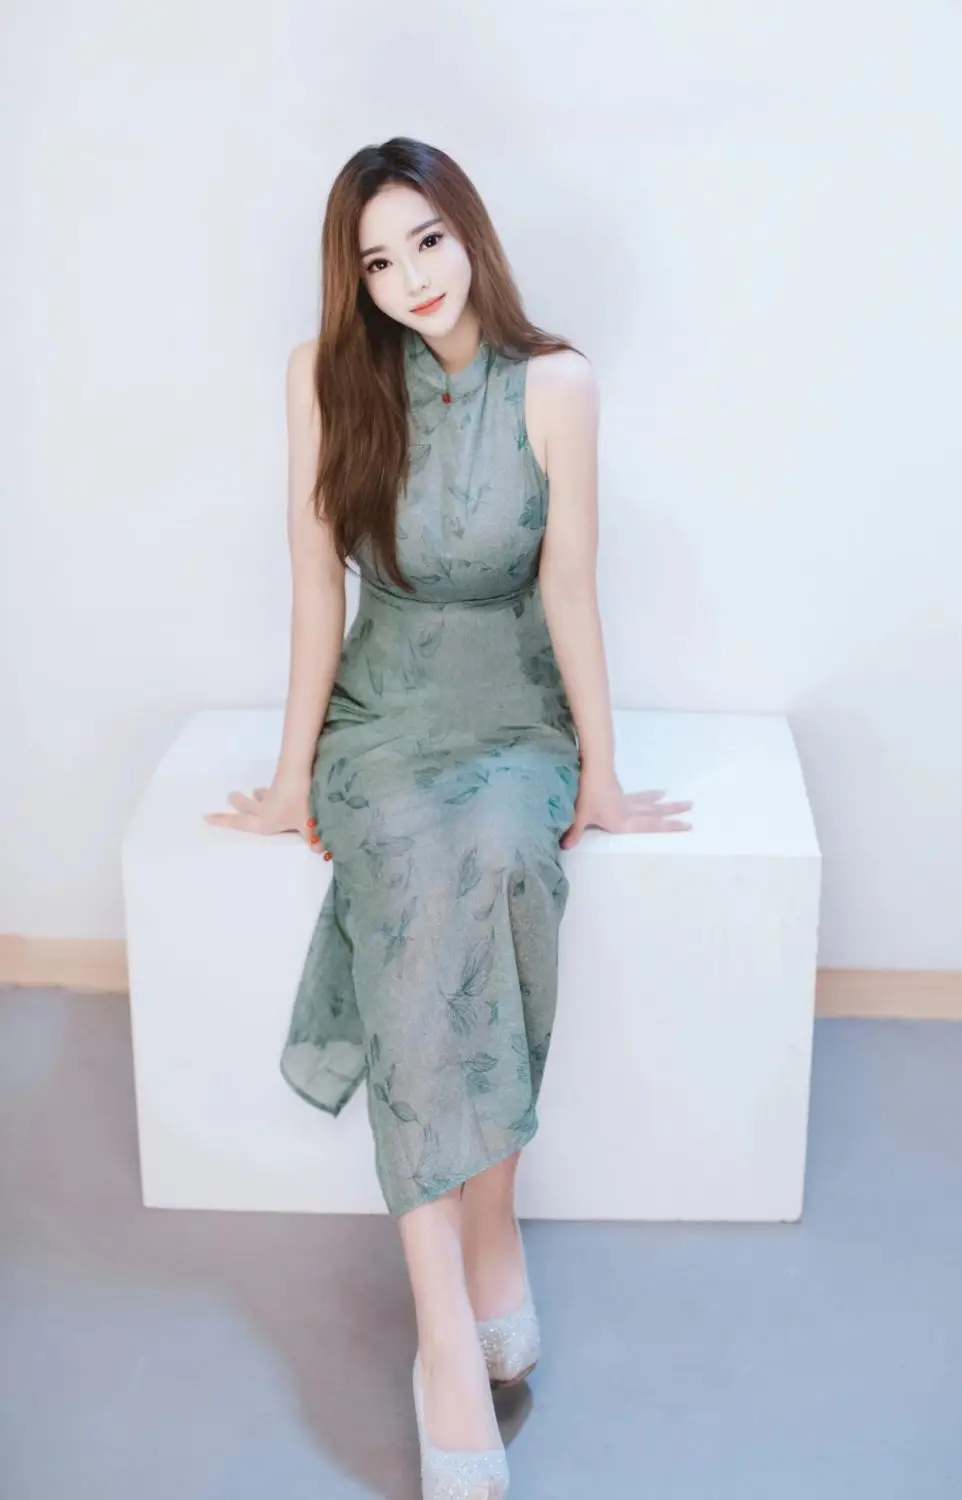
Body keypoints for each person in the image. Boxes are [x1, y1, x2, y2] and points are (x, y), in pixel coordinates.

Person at [204, 136, 693, 1500]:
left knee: (504, 864)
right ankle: (441, 1333)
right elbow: (317, 587)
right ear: (354, 283)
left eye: (426, 240)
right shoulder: (323, 379)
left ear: (469, 232)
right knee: (417, 881)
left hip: (515, 715)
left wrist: (600, 773)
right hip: (381, 720)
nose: (411, 277)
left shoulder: (557, 384)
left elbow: (571, 588)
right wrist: (294, 774)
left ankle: (497, 1231)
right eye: (378, 261)